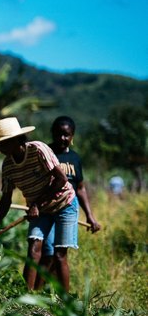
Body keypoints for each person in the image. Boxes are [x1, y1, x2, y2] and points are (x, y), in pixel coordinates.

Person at [0, 117, 77, 292]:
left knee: (60, 254)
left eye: (1, 143)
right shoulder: (8, 165)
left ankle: (66, 303)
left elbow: (61, 179)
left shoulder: (38, 149)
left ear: (15, 141)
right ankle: (26, 299)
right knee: (34, 249)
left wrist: (37, 203)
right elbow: (5, 201)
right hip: (40, 210)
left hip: (64, 202)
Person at [40, 116, 101, 282]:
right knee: (47, 251)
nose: (62, 138)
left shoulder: (75, 159)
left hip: (67, 209)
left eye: (66, 135)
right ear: (52, 133)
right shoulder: (45, 153)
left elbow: (80, 188)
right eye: (59, 134)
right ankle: (35, 297)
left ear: (72, 136)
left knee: (59, 254)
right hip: (47, 209)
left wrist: (90, 215)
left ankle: (57, 297)